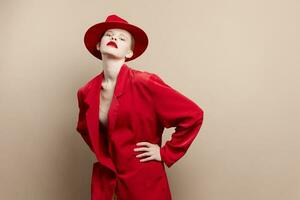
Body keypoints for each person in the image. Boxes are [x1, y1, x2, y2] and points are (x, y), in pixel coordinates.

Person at [76, 14, 204, 200]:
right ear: (98, 45)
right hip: (107, 180)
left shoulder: (145, 82)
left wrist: (165, 152)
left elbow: (193, 115)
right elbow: (84, 129)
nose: (113, 39)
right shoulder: (86, 92)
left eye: (122, 38)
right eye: (108, 35)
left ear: (129, 53)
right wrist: (107, 155)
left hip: (144, 180)